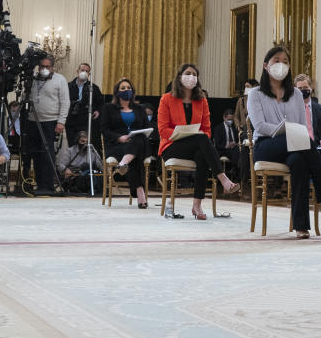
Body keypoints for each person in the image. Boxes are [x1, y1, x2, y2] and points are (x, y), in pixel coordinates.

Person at [248, 47, 321, 237]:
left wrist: (291, 132)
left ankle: (301, 226)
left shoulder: (295, 94)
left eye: (285, 61)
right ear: (266, 66)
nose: (281, 64)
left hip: (294, 146)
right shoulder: (256, 94)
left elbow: (302, 126)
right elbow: (260, 126)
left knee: (300, 162)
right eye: (276, 60)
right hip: (266, 145)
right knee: (306, 145)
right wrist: (283, 129)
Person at [157, 63, 239, 220]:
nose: (192, 77)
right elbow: (162, 130)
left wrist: (195, 135)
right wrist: (183, 133)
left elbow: (207, 130)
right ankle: (223, 179)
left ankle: (197, 204)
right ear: (180, 77)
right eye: (188, 73)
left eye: (195, 74)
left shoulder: (202, 101)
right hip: (172, 146)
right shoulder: (166, 99)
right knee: (201, 140)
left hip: (195, 146)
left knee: (203, 153)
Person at [99, 78, 150, 208]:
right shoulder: (108, 108)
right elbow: (105, 130)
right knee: (134, 158)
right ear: (117, 92)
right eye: (123, 88)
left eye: (128, 88)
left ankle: (123, 163)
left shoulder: (139, 108)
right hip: (117, 145)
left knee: (138, 139)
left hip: (137, 143)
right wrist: (119, 138)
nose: (126, 90)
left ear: (132, 91)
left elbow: (147, 127)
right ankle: (140, 192)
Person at [27, 56, 69, 195]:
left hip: (51, 121)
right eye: (42, 66)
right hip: (33, 121)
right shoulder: (32, 78)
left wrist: (61, 121)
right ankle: (39, 184)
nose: (44, 69)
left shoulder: (60, 79)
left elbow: (65, 102)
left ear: (52, 67)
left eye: (47, 67)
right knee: (35, 153)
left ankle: (48, 185)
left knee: (47, 154)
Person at [66, 62, 104, 148]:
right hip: (71, 121)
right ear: (77, 71)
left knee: (84, 146)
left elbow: (101, 103)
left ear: (89, 74)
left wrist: (98, 111)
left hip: (86, 121)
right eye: (82, 70)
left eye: (87, 71)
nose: (84, 72)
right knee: (72, 146)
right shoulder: (68, 86)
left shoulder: (93, 88)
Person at [212, 109, 243, 181]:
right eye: (229, 119)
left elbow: (237, 140)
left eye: (232, 120)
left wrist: (235, 143)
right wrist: (227, 146)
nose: (230, 121)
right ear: (224, 118)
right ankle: (234, 170)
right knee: (236, 152)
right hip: (223, 150)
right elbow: (217, 144)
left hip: (233, 150)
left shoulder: (234, 128)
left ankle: (236, 171)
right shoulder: (218, 128)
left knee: (239, 150)